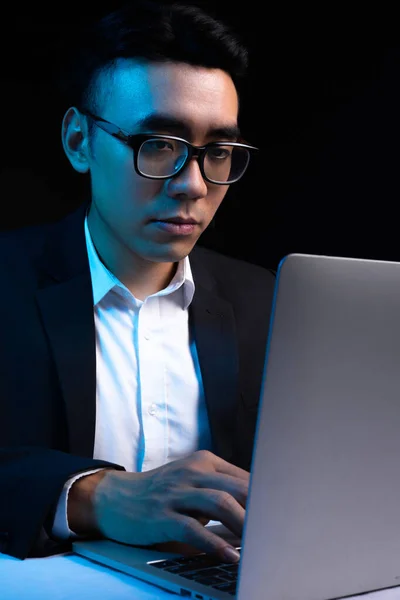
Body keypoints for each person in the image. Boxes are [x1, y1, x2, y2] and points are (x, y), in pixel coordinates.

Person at [0, 0, 275, 563]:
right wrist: (96, 497)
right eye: (160, 145)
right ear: (79, 141)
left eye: (217, 152)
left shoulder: (268, 301)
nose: (194, 186)